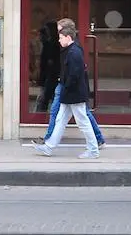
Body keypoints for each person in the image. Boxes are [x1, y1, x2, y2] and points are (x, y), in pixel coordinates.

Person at [35, 18, 105, 148]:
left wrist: (64, 84)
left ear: (66, 32)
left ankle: (95, 143)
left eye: (59, 31)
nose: (57, 34)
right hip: (63, 82)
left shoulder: (72, 48)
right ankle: (50, 142)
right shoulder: (65, 45)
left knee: (77, 115)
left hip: (67, 84)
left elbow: (73, 71)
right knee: (62, 113)